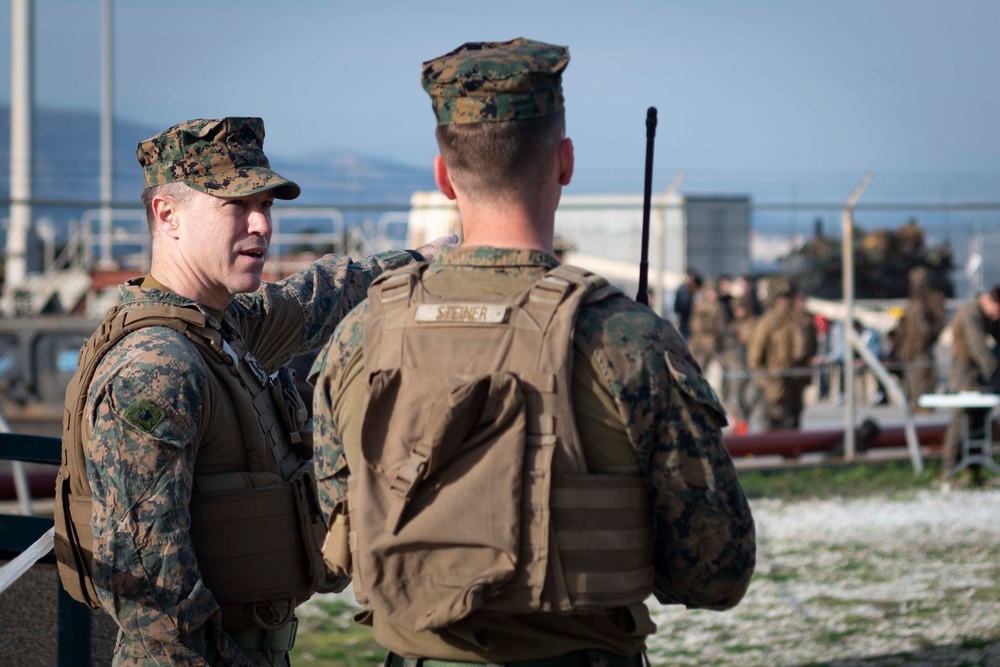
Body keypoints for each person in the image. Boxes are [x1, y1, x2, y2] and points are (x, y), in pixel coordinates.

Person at [309, 38, 756, 666]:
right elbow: (716, 570)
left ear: (443, 176)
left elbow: (337, 538)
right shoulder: (625, 339)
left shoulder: (361, 333)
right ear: (565, 162)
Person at [53, 117, 454, 666]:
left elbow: (318, 296)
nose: (262, 224)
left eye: (266, 205)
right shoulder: (157, 368)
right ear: (165, 215)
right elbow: (151, 602)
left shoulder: (220, 327)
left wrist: (427, 260)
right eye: (235, 206)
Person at [940, 286, 1000, 481]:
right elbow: (979, 349)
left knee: (980, 421)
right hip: (963, 375)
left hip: (979, 377)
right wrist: (994, 371)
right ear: (988, 301)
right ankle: (949, 471)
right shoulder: (971, 314)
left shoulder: (986, 315)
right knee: (960, 422)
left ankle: (973, 471)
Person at [748, 280, 818, 429]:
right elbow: (813, 349)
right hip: (798, 378)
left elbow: (755, 354)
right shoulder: (804, 319)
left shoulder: (769, 320)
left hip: (775, 379)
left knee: (775, 422)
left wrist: (762, 377)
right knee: (794, 420)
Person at [893, 266, 947, 412]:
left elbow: (937, 324)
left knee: (923, 383)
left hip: (922, 348)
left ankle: (922, 411)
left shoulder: (932, 299)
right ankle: (916, 408)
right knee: (913, 383)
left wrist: (927, 339)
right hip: (909, 349)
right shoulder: (914, 302)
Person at [672, 268, 702, 339]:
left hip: (695, 324)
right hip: (685, 323)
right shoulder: (682, 291)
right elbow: (677, 308)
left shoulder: (697, 291)